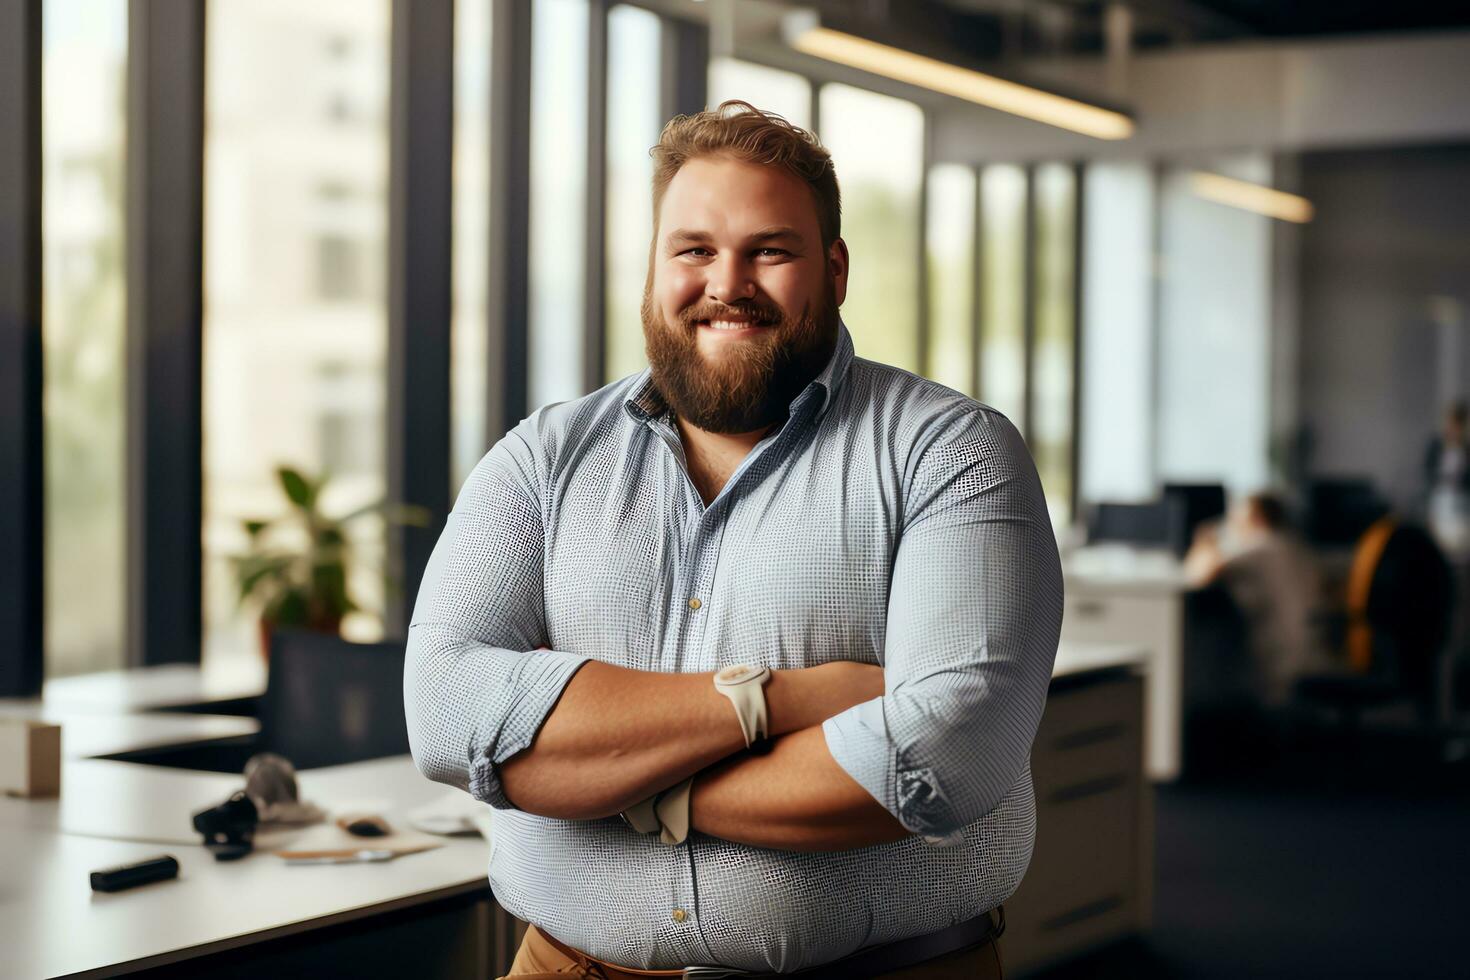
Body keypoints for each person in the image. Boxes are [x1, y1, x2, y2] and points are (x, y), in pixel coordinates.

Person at [405, 101, 1063, 980]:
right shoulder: (543, 460)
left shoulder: (950, 450)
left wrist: (613, 777)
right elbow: (448, 715)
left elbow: (945, 758)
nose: (728, 282)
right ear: (652, 269)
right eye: (694, 251)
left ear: (833, 270)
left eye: (771, 250)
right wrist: (776, 703)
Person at [1185, 492, 1325, 707]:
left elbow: (1198, 575)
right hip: (1313, 643)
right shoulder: (1292, 544)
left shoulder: (1259, 547)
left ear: (1255, 518)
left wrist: (1204, 539)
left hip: (1282, 653)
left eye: (1238, 516)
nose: (1233, 522)